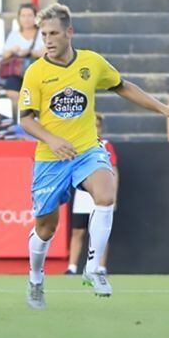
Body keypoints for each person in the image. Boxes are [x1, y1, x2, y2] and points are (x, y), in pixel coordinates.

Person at [19, 3, 169, 309]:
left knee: (106, 196)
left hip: (86, 150)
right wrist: (51, 139)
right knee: (46, 227)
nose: (48, 40)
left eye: (54, 33)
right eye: (44, 35)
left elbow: (122, 86)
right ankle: (36, 279)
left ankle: (93, 268)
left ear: (69, 32)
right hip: (51, 159)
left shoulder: (91, 63)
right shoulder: (36, 72)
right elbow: (26, 119)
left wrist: (160, 107)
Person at [66, 114, 118, 275]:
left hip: (101, 192)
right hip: (83, 194)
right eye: (92, 124)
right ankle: (72, 267)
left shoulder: (106, 145)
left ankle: (100, 267)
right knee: (78, 230)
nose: (96, 128)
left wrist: (113, 195)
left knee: (100, 229)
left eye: (98, 125)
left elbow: (113, 170)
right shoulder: (78, 144)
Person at [2, 3, 44, 104]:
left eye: (30, 15)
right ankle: (23, 112)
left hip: (38, 72)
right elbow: (4, 55)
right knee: (11, 89)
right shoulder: (14, 34)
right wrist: (13, 50)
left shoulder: (43, 32)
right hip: (17, 72)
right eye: (23, 16)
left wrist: (30, 52)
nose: (26, 19)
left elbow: (47, 52)